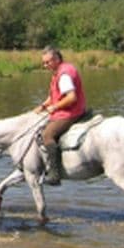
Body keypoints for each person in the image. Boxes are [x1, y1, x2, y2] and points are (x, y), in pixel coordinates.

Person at [33, 46, 86, 185]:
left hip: (71, 111)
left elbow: (71, 97)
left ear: (56, 59)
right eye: (44, 63)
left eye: (47, 62)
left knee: (47, 135)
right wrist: (43, 106)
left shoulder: (64, 75)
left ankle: (54, 174)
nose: (45, 66)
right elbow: (54, 96)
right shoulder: (59, 72)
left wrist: (54, 107)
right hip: (67, 109)